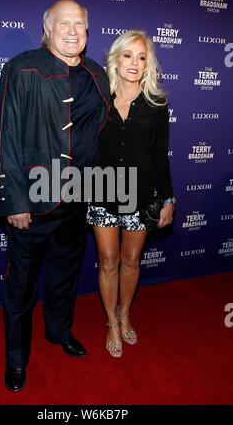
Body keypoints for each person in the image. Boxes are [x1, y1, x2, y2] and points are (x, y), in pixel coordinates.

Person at [0, 0, 110, 391]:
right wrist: (14, 202)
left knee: (65, 278)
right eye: (65, 23)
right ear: (47, 28)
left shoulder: (96, 74)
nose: (74, 31)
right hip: (34, 203)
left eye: (81, 24)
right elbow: (5, 137)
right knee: (21, 286)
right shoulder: (22, 68)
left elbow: (103, 134)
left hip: (78, 201)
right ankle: (16, 359)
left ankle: (59, 333)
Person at [86, 30, 175, 358]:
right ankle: (110, 321)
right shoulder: (98, 98)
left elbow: (160, 153)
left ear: (148, 64)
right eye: (128, 55)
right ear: (116, 59)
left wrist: (168, 198)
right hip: (101, 190)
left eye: (141, 57)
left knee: (131, 260)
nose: (134, 63)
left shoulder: (156, 104)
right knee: (107, 260)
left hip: (140, 194)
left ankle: (125, 314)